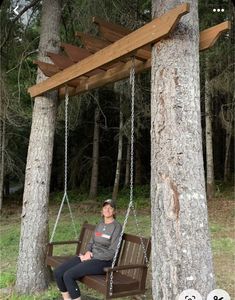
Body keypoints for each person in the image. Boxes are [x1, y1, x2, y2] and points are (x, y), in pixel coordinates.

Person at [53, 199, 122, 300]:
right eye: (105, 207)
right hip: (90, 256)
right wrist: (88, 252)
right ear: (102, 210)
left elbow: (112, 252)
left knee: (68, 275)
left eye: (110, 208)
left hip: (104, 261)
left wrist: (91, 256)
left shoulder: (117, 227)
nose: (107, 210)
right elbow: (91, 242)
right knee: (58, 272)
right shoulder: (100, 224)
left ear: (114, 211)